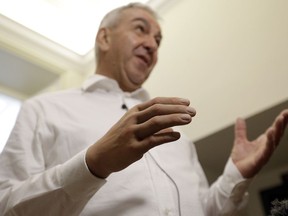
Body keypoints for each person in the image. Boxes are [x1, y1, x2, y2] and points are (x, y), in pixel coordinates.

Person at [0, 2, 287, 216]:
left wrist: (236, 176)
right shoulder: (43, 109)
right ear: (104, 38)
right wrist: (93, 164)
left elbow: (205, 209)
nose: (151, 45)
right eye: (140, 29)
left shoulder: (176, 136)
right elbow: (6, 206)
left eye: (158, 41)